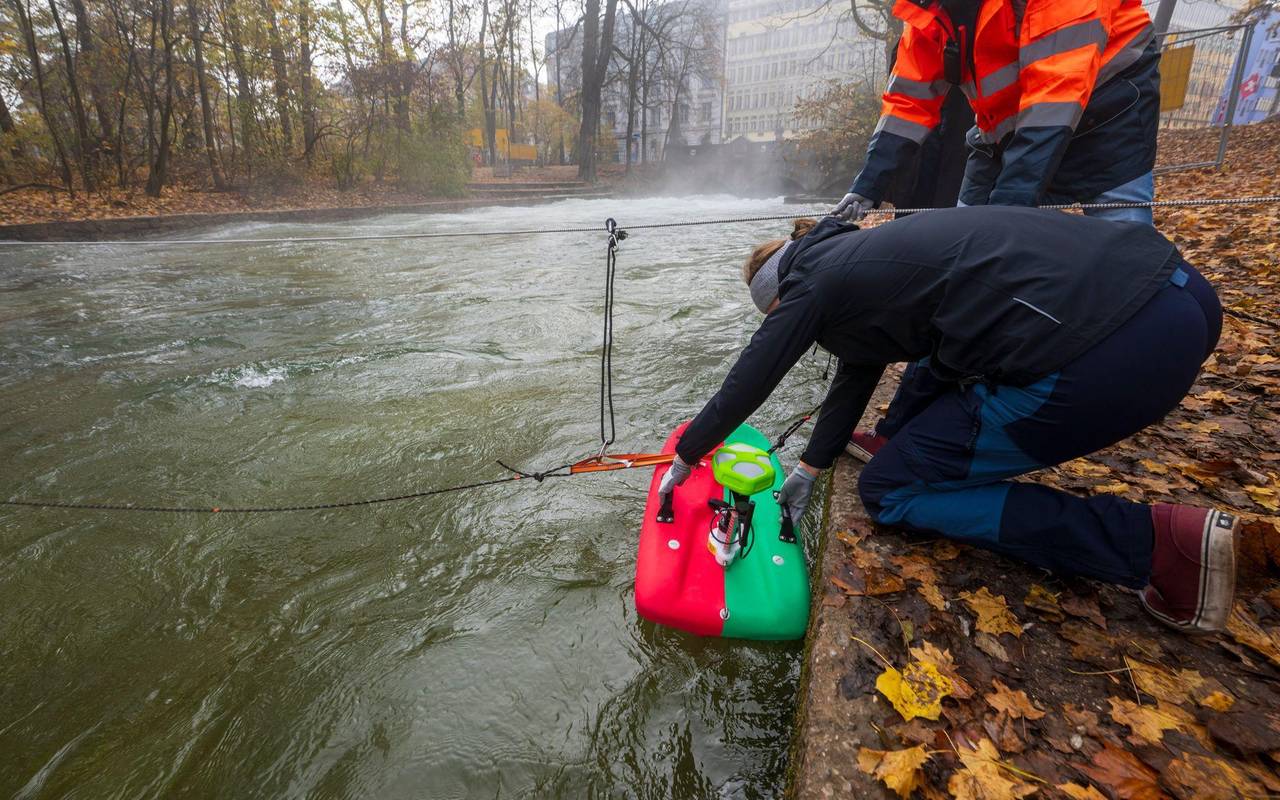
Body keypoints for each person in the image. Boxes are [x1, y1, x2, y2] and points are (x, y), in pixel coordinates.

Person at [658, 211, 1237, 633]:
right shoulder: (860, 253)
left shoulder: (811, 285)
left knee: (889, 490)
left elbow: (753, 375)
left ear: (779, 301)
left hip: (1107, 352)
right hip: (1182, 296)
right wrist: (813, 464)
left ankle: (1158, 546)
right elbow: (860, 366)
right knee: (940, 372)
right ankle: (897, 441)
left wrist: (689, 455)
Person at [832, 0, 1161, 225]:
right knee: (962, 238)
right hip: (1002, 127)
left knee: (1124, 250)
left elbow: (1054, 93)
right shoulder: (929, 8)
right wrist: (867, 186)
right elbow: (908, 100)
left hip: (1110, 115)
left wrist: (1005, 212)